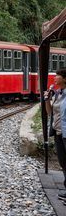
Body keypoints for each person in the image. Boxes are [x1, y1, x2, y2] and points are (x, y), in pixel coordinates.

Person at [47, 69, 66, 200]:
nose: (54, 78)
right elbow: (50, 113)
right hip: (58, 133)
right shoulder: (58, 93)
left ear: (64, 79)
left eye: (57, 76)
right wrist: (47, 99)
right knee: (63, 162)